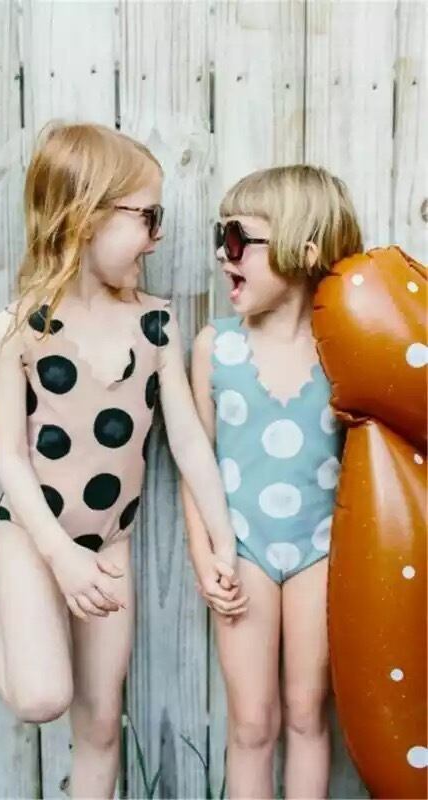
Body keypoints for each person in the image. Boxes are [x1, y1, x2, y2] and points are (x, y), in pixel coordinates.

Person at [0, 121, 242, 798]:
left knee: (100, 725)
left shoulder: (156, 324)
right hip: (34, 537)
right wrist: (60, 555)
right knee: (42, 698)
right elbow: (10, 459)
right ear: (87, 215)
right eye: (148, 217)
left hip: (109, 543)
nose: (157, 236)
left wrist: (223, 539)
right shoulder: (19, 328)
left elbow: (188, 442)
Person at [181, 165, 363, 799]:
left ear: (304, 252)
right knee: (251, 724)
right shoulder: (215, 347)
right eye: (220, 237)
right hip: (243, 551)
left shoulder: (344, 350)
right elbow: (197, 465)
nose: (221, 254)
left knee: (309, 715)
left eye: (237, 240)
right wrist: (206, 556)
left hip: (321, 553)